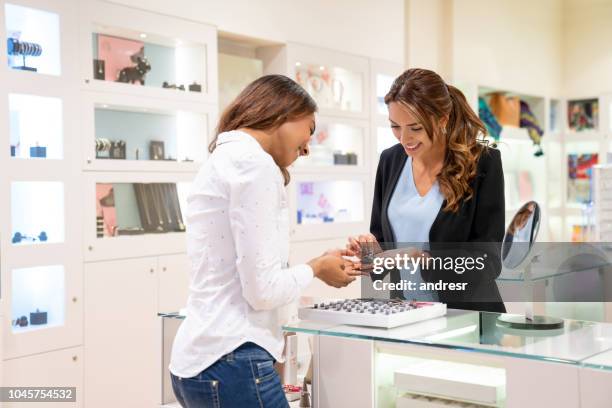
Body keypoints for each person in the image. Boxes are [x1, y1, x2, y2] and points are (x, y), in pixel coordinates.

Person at [170, 75, 359, 407]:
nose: (307, 146)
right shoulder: (255, 166)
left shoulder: (224, 159)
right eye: (309, 129)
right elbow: (264, 290)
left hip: (197, 363)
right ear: (283, 112)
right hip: (233, 360)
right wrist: (316, 268)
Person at [348, 68, 506, 313]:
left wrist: (416, 256)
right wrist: (370, 254)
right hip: (407, 315)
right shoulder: (390, 161)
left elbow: (488, 262)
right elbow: (382, 247)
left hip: (468, 316)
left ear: (442, 119)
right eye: (395, 127)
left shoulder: (482, 163)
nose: (404, 139)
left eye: (415, 127)